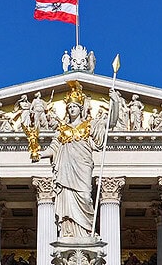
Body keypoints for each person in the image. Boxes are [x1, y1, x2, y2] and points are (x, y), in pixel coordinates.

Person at [34, 80, 118, 238]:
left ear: (81, 108)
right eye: (70, 107)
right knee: (67, 202)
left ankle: (86, 232)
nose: (72, 109)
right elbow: (54, 148)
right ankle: (69, 233)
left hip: (82, 168)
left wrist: (115, 102)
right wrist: (39, 154)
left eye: (75, 107)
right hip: (66, 171)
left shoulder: (89, 125)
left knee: (85, 197)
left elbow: (111, 123)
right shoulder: (62, 129)